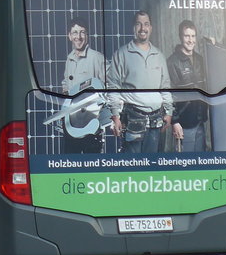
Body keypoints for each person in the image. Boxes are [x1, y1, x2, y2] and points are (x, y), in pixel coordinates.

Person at [107, 11, 174, 154]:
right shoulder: (121, 54)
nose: (143, 28)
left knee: (153, 164)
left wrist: (169, 111)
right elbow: (113, 88)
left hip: (156, 121)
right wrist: (115, 115)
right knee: (133, 164)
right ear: (133, 27)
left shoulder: (159, 56)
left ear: (151, 28)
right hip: (132, 120)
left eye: (146, 24)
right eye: (139, 24)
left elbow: (165, 87)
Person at [61, 16, 106, 154]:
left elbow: (110, 86)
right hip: (71, 123)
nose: (78, 37)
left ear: (87, 35)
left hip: (91, 123)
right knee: (70, 162)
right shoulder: (69, 59)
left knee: (91, 162)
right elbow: (66, 83)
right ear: (69, 36)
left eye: (82, 32)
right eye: (75, 32)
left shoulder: (97, 58)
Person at [166, 19, 209, 151]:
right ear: (180, 37)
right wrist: (175, 121)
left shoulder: (200, 59)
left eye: (193, 36)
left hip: (200, 120)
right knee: (186, 161)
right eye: (187, 36)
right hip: (183, 123)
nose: (190, 40)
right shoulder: (172, 62)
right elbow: (169, 94)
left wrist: (213, 45)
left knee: (201, 160)